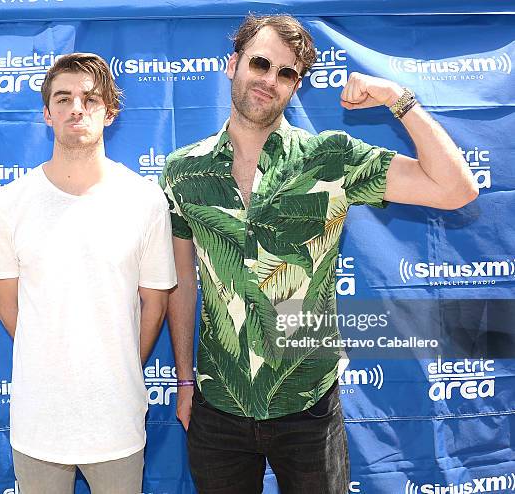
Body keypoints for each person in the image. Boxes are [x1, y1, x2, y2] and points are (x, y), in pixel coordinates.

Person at [159, 14, 478, 494]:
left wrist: (398, 99)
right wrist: (184, 381)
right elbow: (181, 283)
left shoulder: (332, 159)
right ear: (233, 65)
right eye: (260, 64)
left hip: (308, 403)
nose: (269, 80)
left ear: (297, 86)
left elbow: (457, 189)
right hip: (217, 404)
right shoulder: (184, 171)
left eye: (286, 73)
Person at [0, 52, 177, 494]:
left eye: (90, 99)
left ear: (110, 111)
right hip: (38, 422)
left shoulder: (144, 201)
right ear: (47, 112)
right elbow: (8, 306)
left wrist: (116, 360)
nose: (76, 108)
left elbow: (155, 303)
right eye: (64, 98)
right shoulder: (8, 204)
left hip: (117, 420)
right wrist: (51, 353)